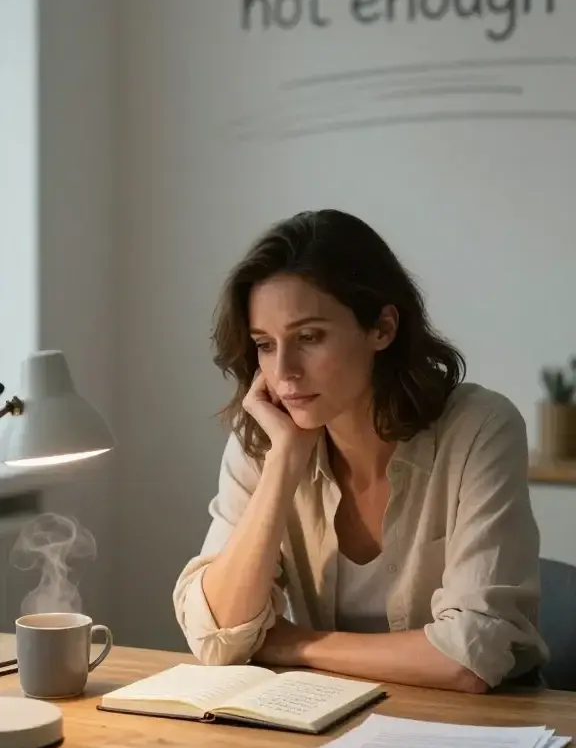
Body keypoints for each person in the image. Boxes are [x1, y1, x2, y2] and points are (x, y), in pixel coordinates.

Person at [173, 209, 548, 692]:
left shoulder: (479, 427)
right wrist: (284, 463)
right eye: (265, 344)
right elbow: (215, 637)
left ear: (382, 328)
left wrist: (294, 644)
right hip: (328, 718)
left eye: (309, 337)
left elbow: (472, 655)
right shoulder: (266, 437)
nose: (283, 371)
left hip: (476, 728)